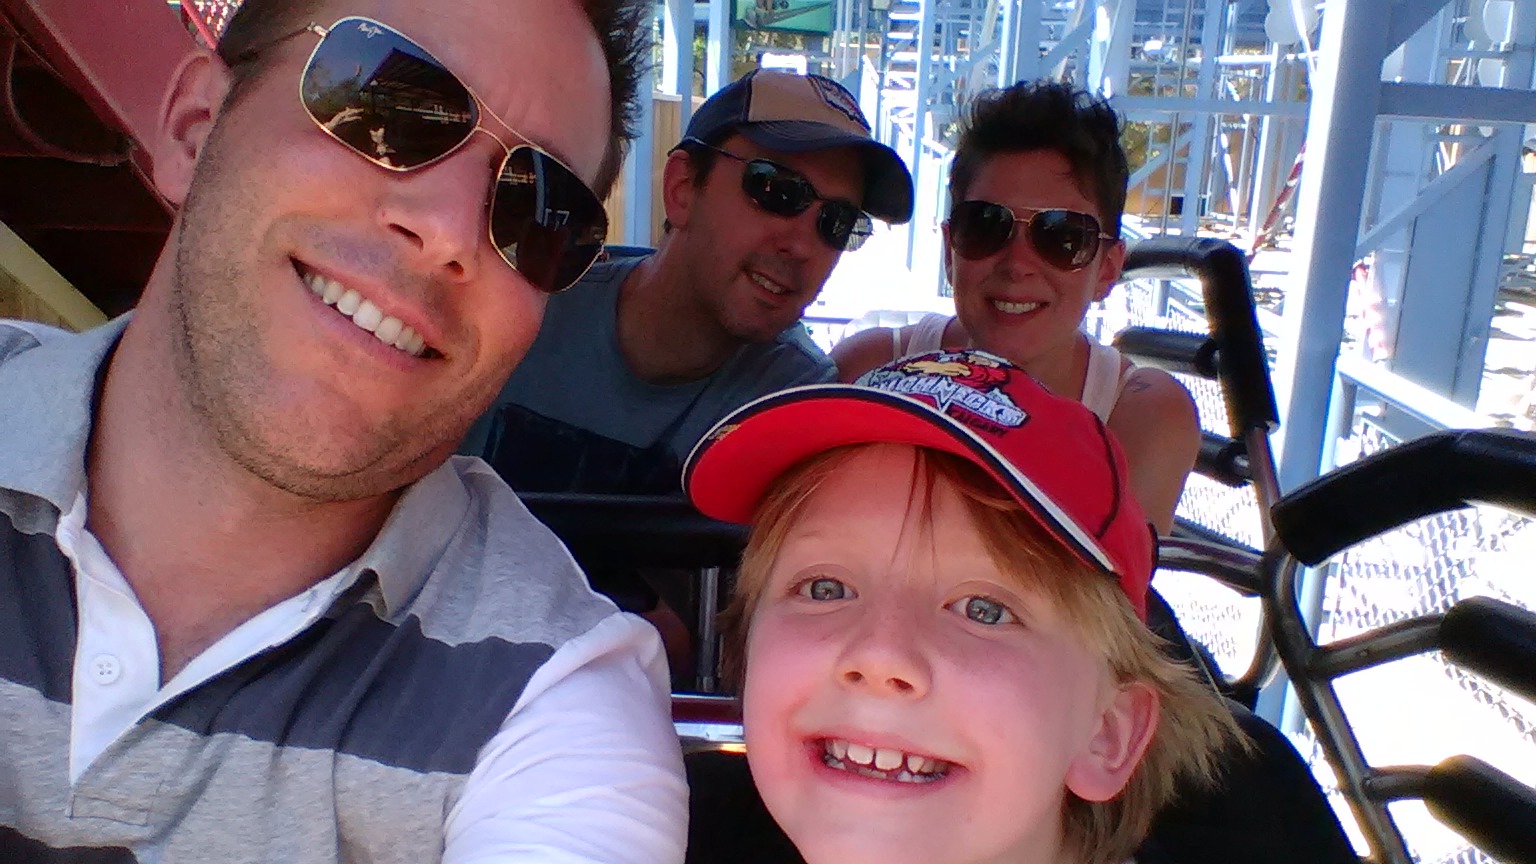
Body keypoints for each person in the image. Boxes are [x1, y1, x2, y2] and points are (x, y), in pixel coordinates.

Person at [0, 2, 687, 862]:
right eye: (390, 103)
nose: (448, 233)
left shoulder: (547, 700)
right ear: (194, 128)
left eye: (539, 207)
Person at [683, 349, 1246, 864]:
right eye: (825, 589)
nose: (879, 656)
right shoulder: (666, 824)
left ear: (1106, 733)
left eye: (983, 610)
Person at [460, 68, 915, 495]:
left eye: (838, 223)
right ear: (682, 188)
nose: (802, 245)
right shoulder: (528, 308)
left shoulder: (794, 402)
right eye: (777, 190)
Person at [831, 82, 1199, 533]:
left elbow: (1110, 581)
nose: (1017, 264)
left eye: (1062, 236)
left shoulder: (1142, 416)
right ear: (950, 251)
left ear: (1107, 269)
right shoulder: (866, 370)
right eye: (985, 225)